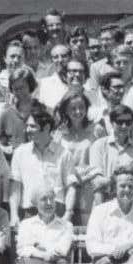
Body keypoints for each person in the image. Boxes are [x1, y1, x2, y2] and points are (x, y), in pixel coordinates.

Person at [9, 111, 74, 227]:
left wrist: (68, 213)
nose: (28, 130)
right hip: (29, 211)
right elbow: (15, 188)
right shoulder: (20, 153)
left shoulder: (64, 154)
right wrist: (14, 214)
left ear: (47, 127)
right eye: (27, 126)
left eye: (33, 126)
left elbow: (70, 186)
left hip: (56, 210)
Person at [86, 105, 133, 205]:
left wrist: (110, 181)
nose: (124, 126)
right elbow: (96, 181)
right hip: (103, 201)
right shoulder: (99, 145)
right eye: (120, 122)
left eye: (128, 122)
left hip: (130, 202)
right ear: (112, 122)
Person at [56, 91, 100, 225]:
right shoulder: (58, 133)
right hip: (67, 187)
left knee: (87, 228)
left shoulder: (96, 130)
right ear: (65, 111)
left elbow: (101, 160)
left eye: (81, 107)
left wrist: (86, 177)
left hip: (88, 187)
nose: (78, 111)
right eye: (73, 108)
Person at [0, 68, 45, 154]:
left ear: (30, 86)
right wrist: (7, 149)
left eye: (22, 88)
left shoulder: (44, 111)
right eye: (15, 89)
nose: (19, 92)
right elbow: (0, 143)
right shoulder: (6, 115)